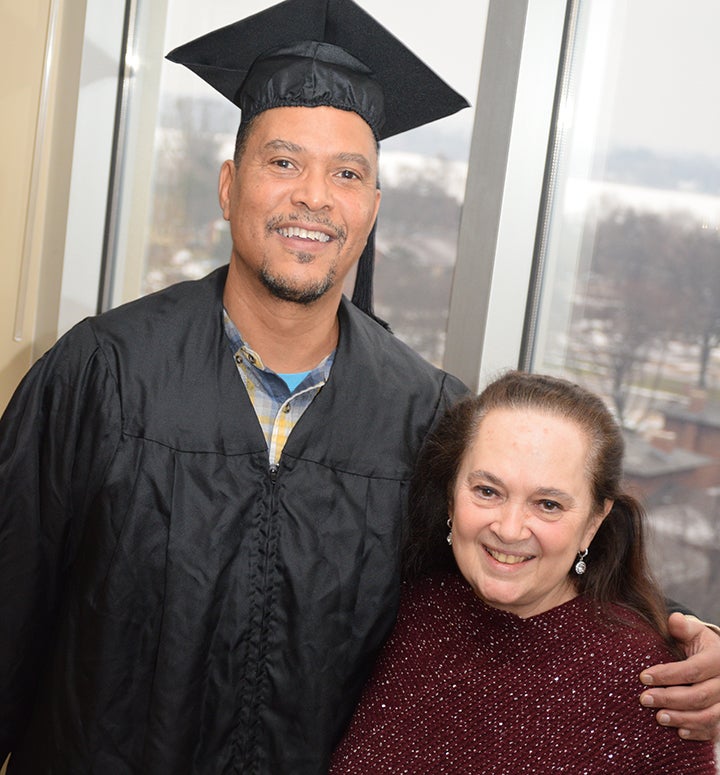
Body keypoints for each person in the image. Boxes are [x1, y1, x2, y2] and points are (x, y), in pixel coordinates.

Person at [0, 0, 718, 772]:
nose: (314, 196)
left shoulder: (423, 414)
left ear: (372, 210)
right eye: (284, 162)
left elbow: (517, 565)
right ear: (228, 185)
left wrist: (680, 633)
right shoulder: (101, 376)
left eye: (348, 173)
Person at [330, 371, 717, 773]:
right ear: (450, 495)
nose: (509, 529)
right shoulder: (392, 611)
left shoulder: (654, 685)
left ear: (593, 522)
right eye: (487, 491)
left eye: (548, 504)